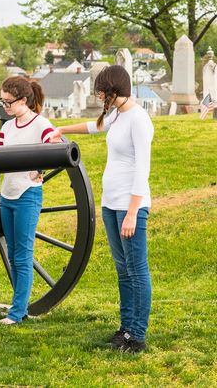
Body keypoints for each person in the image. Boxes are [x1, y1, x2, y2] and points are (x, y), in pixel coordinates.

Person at [49, 65, 153, 353]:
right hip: (110, 203)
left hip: (130, 206)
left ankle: (137, 336)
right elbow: (95, 127)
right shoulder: (117, 115)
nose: (98, 95)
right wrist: (61, 129)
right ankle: (126, 328)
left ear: (114, 89)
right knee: (123, 270)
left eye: (101, 90)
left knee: (137, 269)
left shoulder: (139, 119)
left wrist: (133, 212)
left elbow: (142, 170)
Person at [0, 76, 55, 325]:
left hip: (27, 195)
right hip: (6, 196)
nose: (5, 107)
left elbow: (55, 145)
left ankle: (17, 312)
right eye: (2, 101)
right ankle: (18, 303)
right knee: (12, 255)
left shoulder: (40, 124)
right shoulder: (7, 128)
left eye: (8, 102)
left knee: (22, 255)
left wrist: (39, 168)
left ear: (23, 100)